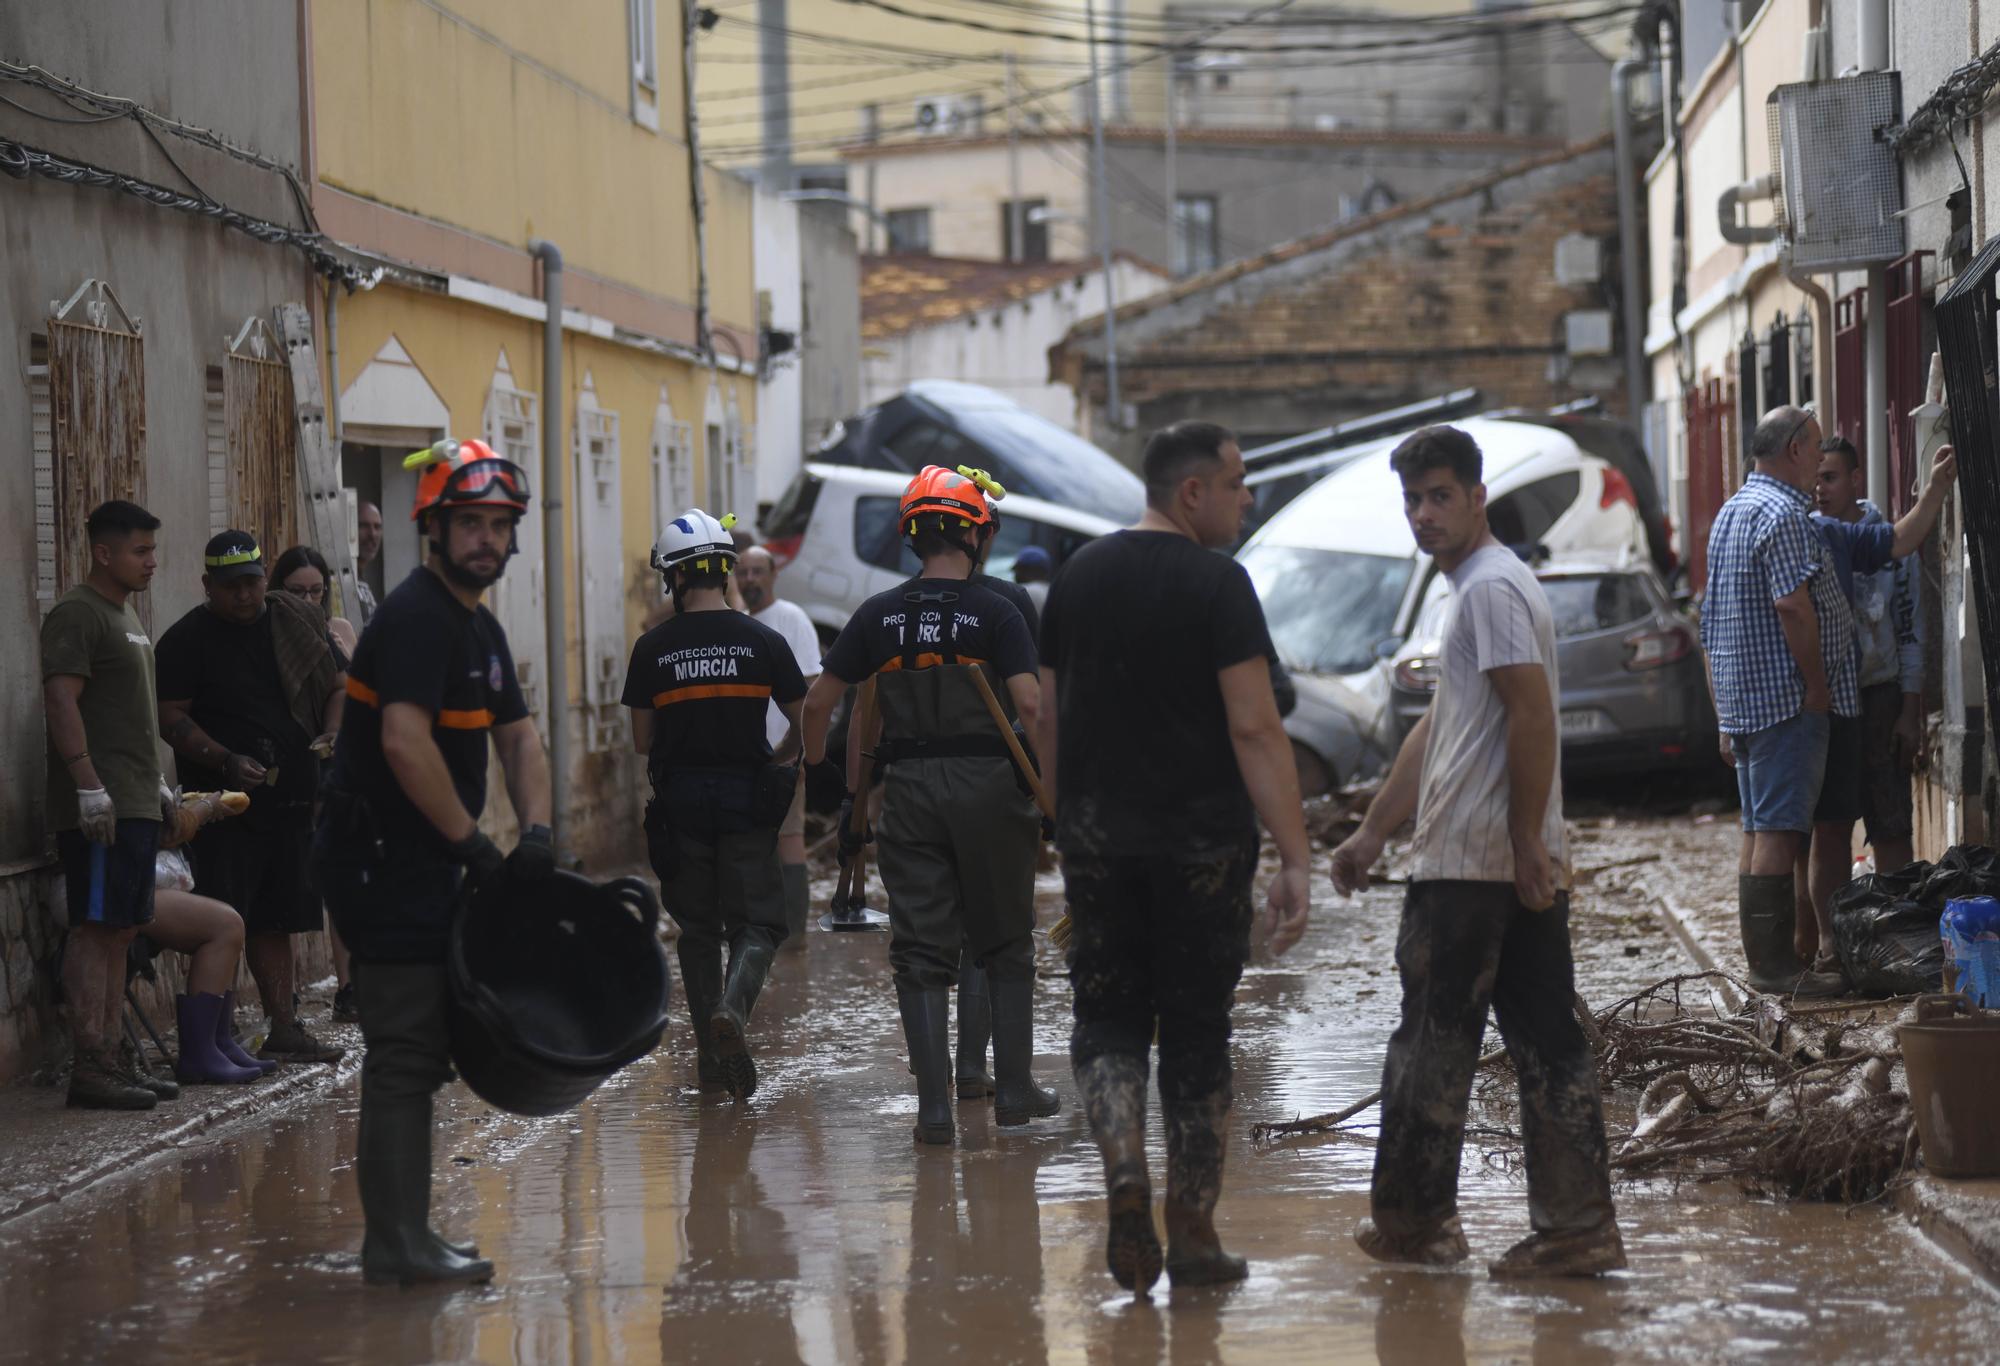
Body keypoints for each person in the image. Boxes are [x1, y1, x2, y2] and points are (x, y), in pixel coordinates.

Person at [1331, 424, 1623, 1279]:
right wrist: (1373, 831)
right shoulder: (1482, 588)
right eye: (1413, 500)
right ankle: (1577, 1229)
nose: (1424, 515)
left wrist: (1528, 838)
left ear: (1476, 498)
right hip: (1494, 860)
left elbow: (1533, 715)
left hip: (1474, 865)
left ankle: (1416, 1226)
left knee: (1429, 1045)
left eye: (1439, 496)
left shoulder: (1491, 589)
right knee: (1547, 1045)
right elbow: (1442, 727)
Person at [1037, 422, 1310, 1294]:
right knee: (1197, 1033)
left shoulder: (1075, 578)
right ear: (1191, 493)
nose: (1247, 496)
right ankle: (1191, 1235)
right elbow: (1256, 726)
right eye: (1237, 482)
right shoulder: (1219, 584)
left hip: (1098, 844)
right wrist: (1295, 856)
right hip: (1202, 848)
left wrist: (1061, 825)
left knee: (1107, 1018)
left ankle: (1124, 1171)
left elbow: (1047, 719)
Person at [314, 437, 554, 1286]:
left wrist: (538, 832)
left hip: (424, 859)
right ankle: (395, 1244)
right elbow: (402, 741)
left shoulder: (477, 623)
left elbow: (520, 736)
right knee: (405, 1052)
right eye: (471, 524)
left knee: (420, 1048)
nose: (487, 540)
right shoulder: (417, 617)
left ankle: (408, 1232)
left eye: (500, 525)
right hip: (384, 859)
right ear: (436, 528)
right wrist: (475, 846)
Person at [801, 465, 1061, 1147]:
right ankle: (1009, 1093)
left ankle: (934, 1111)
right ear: (978, 532)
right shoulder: (1000, 610)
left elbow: (830, 704)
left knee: (919, 949)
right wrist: (1055, 792)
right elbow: (1031, 706)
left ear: (912, 537)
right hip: (991, 788)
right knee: (1004, 939)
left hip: (909, 795)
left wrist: (823, 777)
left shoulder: (878, 614)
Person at [624, 514, 806, 1100]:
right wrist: (780, 759)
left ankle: (710, 1058)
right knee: (758, 923)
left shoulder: (651, 648)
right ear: (725, 570)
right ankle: (734, 1006)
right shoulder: (764, 641)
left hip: (680, 804)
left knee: (697, 929)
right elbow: (802, 723)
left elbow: (642, 741)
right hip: (747, 799)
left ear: (675, 579)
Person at [156, 531, 347, 1066]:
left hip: (290, 799)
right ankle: (215, 1034)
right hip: (220, 807)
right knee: (225, 913)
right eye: (231, 585)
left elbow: (338, 685)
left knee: (276, 917)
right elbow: (170, 715)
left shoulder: (294, 624)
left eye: (252, 582)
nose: (244, 595)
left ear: (265, 578)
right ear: (207, 586)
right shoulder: (186, 641)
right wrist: (224, 759)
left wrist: (330, 733)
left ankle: (283, 1024)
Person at [1698, 406, 1855, 996]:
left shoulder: (1731, 511)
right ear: (1793, 449)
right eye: (1815, 448)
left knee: (1759, 829)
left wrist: (1722, 711)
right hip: (1786, 702)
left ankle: (1769, 965)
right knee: (1779, 834)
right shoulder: (1784, 513)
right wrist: (1815, 687)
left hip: (1746, 702)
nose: (1819, 461)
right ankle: (1774, 969)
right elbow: (1792, 607)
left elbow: (1710, 621)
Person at [40, 500, 180, 1110]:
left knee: (122, 930)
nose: (152, 562)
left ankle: (115, 1058)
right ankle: (90, 1064)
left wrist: (155, 783)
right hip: (100, 806)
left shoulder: (126, 616)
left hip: (135, 800)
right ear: (104, 552)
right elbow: (61, 701)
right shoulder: (78, 613)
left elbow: (129, 717)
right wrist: (86, 783)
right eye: (140, 551)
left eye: (152, 549)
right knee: (95, 929)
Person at [1807, 437, 1956, 936]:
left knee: (1890, 817)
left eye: (1830, 478)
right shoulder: (1808, 535)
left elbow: (1909, 627)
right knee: (1825, 825)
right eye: (1816, 478)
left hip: (1879, 695)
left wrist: (1909, 707)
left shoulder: (1885, 541)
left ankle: (1898, 933)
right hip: (1826, 698)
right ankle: (1823, 940)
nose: (1821, 489)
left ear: (1854, 480)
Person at [272, 543, 361, 1023]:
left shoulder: (339, 631)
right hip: (289, 766)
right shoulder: (270, 632)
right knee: (287, 878)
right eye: (296, 591)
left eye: (316, 591)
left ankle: (349, 987)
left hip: (338, 765)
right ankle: (281, 1000)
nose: (308, 601)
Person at [151, 791, 274, 1084]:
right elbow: (167, 833)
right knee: (226, 925)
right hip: (123, 886)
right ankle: (200, 1052)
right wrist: (206, 807)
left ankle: (217, 1041)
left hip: (142, 880)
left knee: (228, 917)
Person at [735, 545, 822, 945]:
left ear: (773, 575)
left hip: (784, 753)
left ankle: (795, 939)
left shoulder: (791, 619)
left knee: (789, 841)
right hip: (743, 759)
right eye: (743, 572)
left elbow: (811, 689)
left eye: (757, 571)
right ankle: (758, 935)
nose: (750, 579)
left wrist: (801, 749)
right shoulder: (736, 622)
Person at [353, 499, 382, 625]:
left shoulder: (363, 583)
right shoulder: (340, 582)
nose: (372, 534)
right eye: (364, 526)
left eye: (377, 527)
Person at [1011, 544, 1052, 613]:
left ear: (1023, 570)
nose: (1015, 576)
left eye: (1017, 570)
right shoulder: (1052, 591)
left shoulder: (1022, 592)